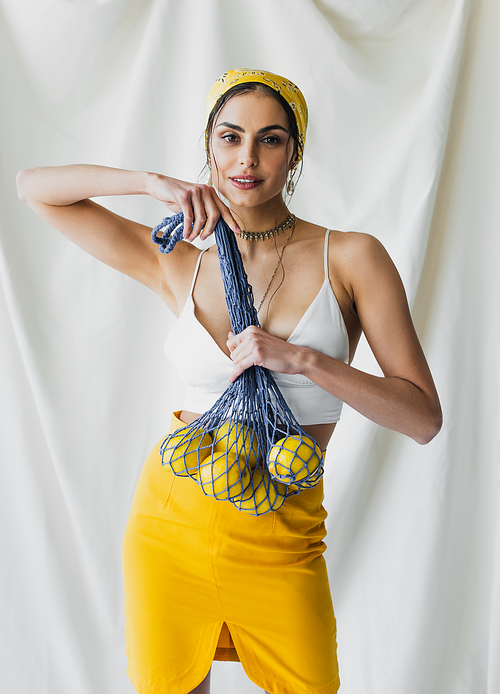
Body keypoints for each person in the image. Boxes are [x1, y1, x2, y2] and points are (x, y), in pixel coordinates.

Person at [16, 68, 442, 694]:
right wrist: (148, 184)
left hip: (283, 533)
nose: (247, 158)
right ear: (209, 148)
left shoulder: (351, 257)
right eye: (230, 137)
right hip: (170, 527)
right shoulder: (179, 261)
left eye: (270, 139)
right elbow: (34, 189)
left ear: (294, 153)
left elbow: (423, 418)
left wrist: (306, 361)